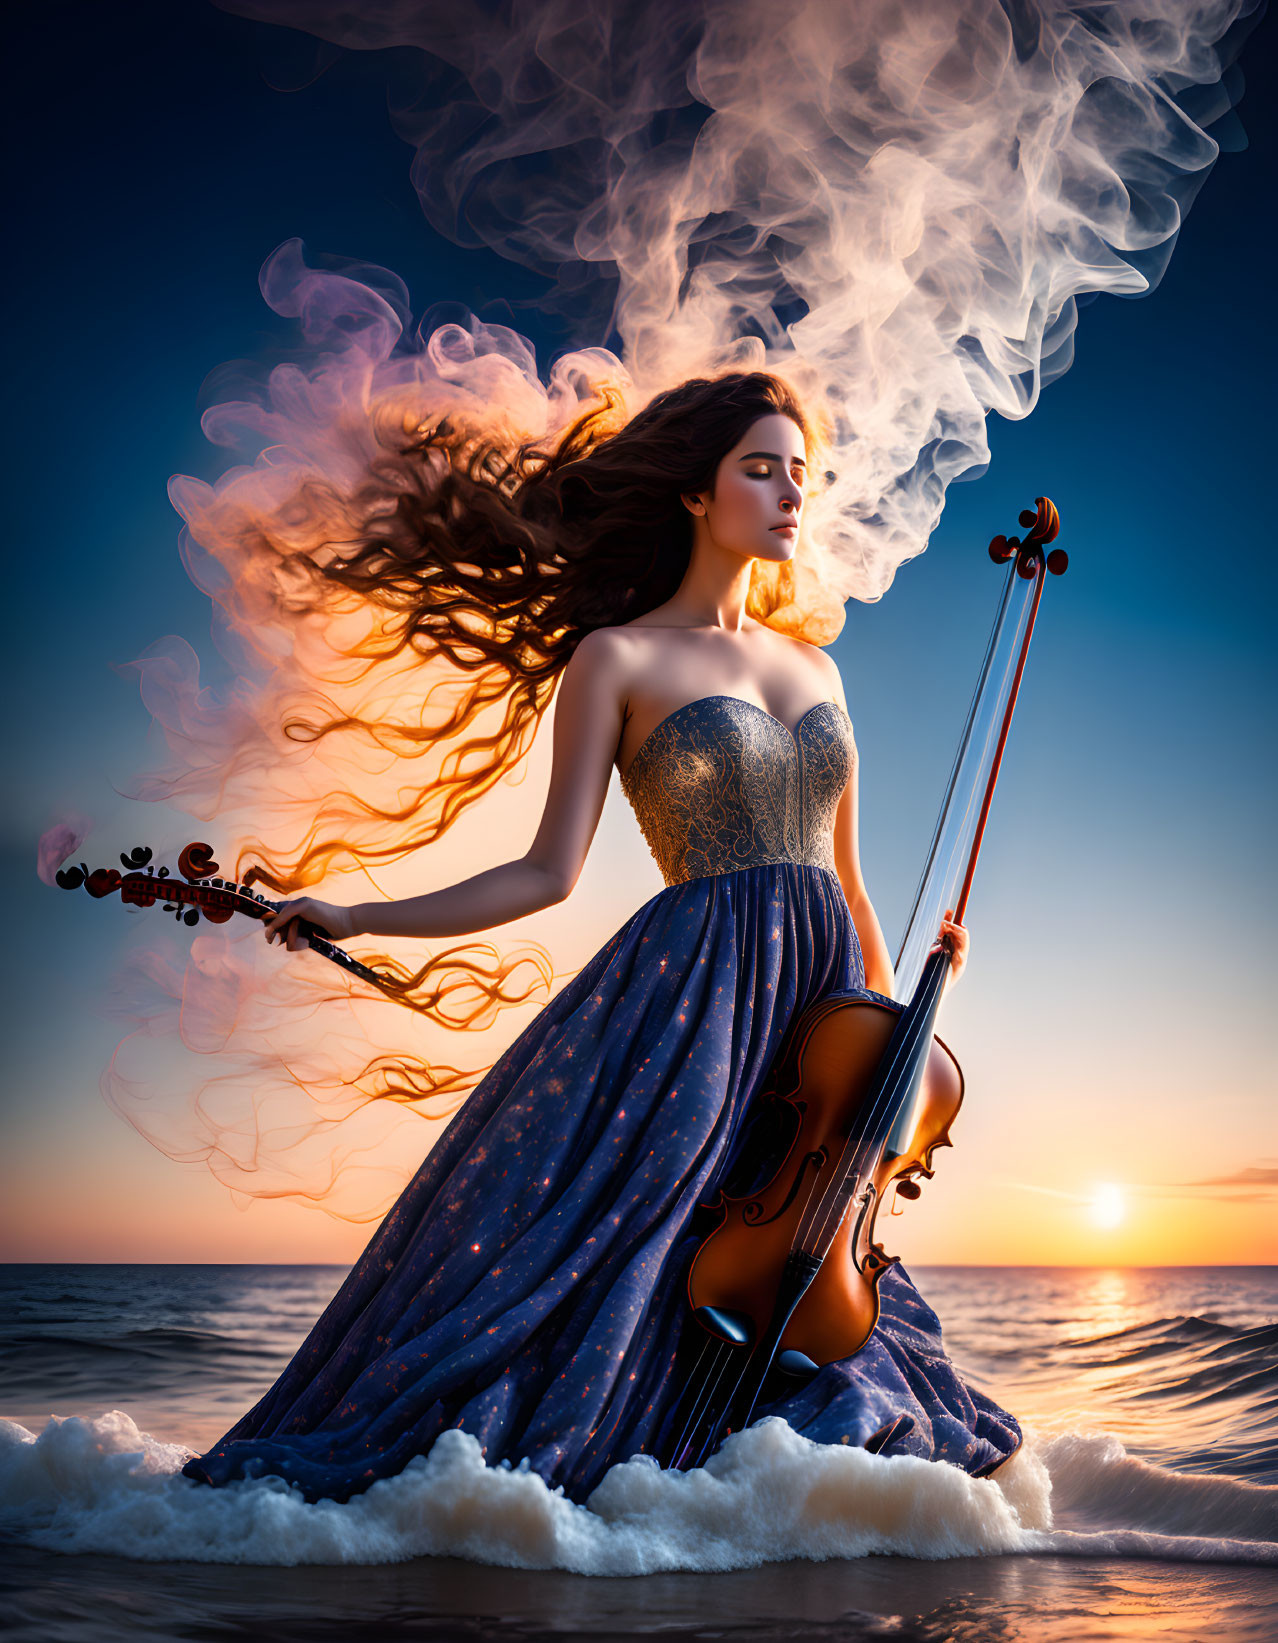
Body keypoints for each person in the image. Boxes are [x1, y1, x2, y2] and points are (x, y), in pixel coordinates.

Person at [180, 370, 1022, 1505]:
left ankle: (763, 1490)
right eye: (759, 468)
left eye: (800, 475)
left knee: (793, 1230)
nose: (789, 495)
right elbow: (545, 869)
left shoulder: (818, 668)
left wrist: (893, 1029)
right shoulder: (616, 658)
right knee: (645, 1230)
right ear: (694, 492)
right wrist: (360, 910)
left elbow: (855, 882)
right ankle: (629, 1495)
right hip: (693, 997)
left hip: (819, 1001)